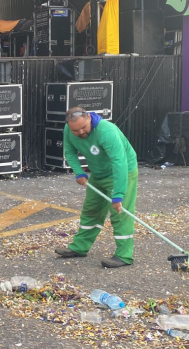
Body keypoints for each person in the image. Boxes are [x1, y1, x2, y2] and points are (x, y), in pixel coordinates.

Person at [55, 107, 138, 268]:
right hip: (98, 173)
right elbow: (70, 152)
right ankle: (79, 247)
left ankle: (124, 255)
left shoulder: (107, 132)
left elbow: (119, 162)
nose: (80, 132)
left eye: (83, 128)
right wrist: (79, 172)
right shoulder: (69, 129)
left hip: (122, 172)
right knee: (91, 209)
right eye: (75, 130)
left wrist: (118, 195)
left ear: (88, 118)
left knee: (119, 213)